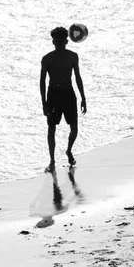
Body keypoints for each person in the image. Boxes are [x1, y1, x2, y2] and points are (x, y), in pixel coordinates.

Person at [40, 26, 87, 172]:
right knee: (51, 128)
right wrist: (44, 103)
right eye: (56, 41)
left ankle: (68, 150)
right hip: (53, 95)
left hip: (68, 94)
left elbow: (78, 77)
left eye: (61, 41)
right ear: (53, 42)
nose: (59, 43)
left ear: (67, 41)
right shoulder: (47, 59)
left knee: (74, 127)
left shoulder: (73, 56)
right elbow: (42, 81)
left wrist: (83, 98)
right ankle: (52, 161)